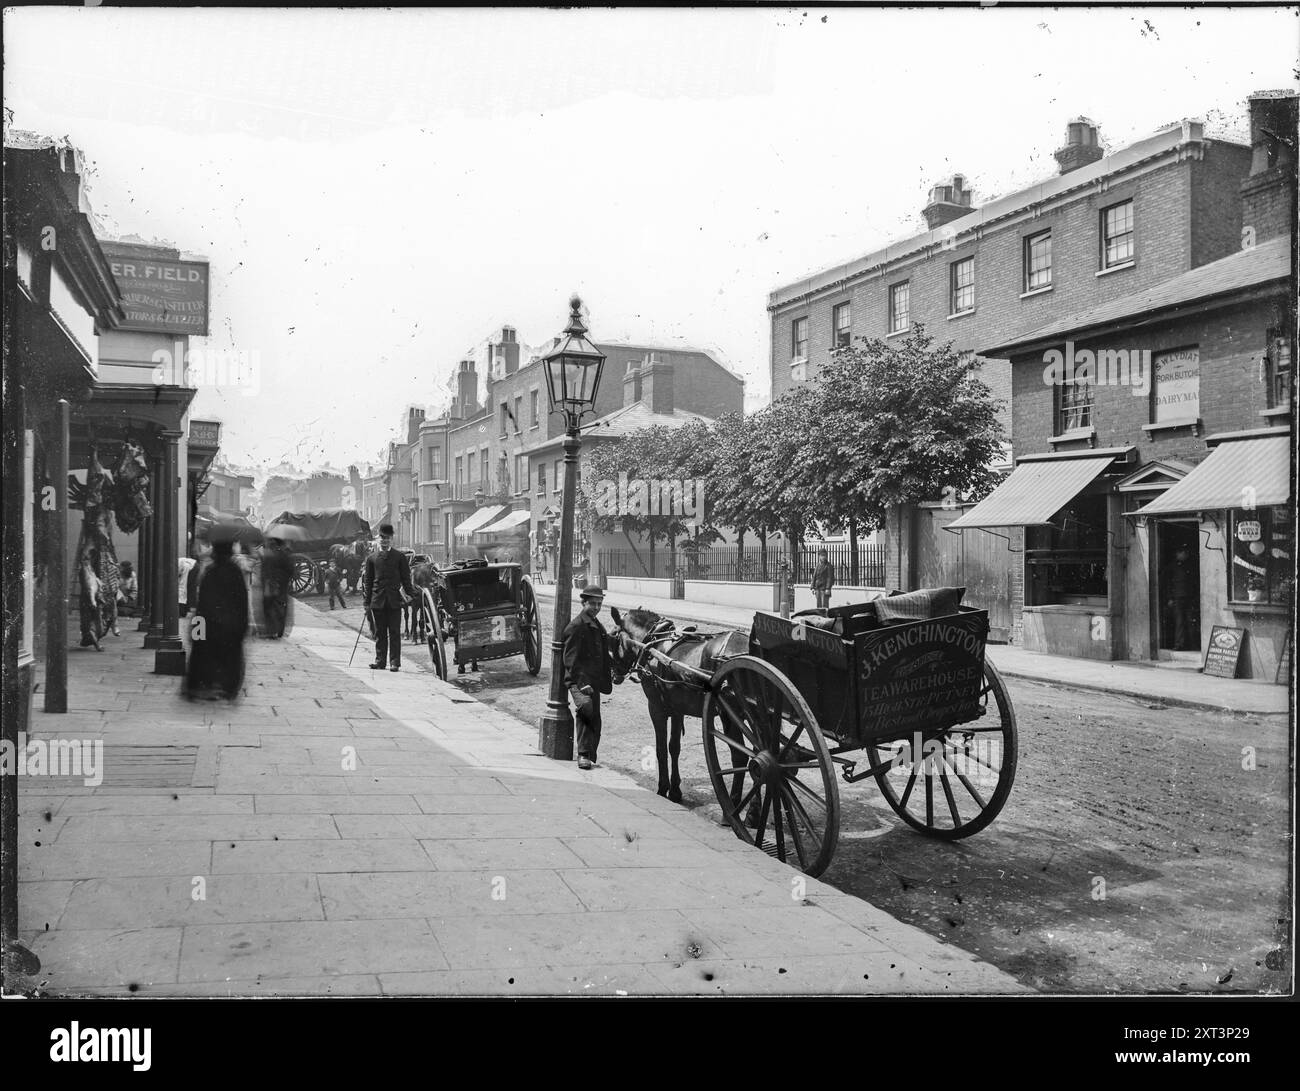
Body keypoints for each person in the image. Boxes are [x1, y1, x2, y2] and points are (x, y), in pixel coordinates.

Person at [183, 533, 249, 701]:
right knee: (230, 658)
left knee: (205, 656)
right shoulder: (235, 572)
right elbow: (241, 602)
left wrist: (197, 629)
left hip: (210, 624)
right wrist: (242, 625)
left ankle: (206, 686)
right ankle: (226, 688)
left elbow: (203, 602)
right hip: (230, 626)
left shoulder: (211, 571)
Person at [561, 585, 614, 770]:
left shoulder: (596, 624)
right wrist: (582, 684)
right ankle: (583, 754)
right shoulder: (577, 626)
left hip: (593, 681)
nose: (597, 608)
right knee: (586, 708)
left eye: (599, 604)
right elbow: (570, 660)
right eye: (593, 604)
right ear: (583, 603)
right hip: (578, 680)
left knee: (596, 718)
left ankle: (590, 755)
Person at [363, 523, 415, 671]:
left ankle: (394, 662)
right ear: (378, 538)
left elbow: (406, 578)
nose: (384, 540)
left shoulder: (399, 557)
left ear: (391, 539)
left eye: (387, 538)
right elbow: (368, 582)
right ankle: (380, 661)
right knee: (380, 633)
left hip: (394, 601)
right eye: (382, 537)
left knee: (394, 632)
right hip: (378, 601)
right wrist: (367, 602)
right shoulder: (371, 559)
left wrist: (410, 594)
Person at [260, 537, 294, 639]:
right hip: (282, 584)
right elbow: (290, 570)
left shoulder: (268, 555)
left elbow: (264, 570)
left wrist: (264, 581)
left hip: (270, 583)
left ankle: (271, 630)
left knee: (269, 606)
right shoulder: (285, 555)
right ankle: (280, 630)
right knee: (281, 606)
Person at [1165, 545, 1197, 651]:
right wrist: (1170, 598)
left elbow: (1193, 582)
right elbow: (1168, 583)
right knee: (1179, 621)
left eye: (1185, 553)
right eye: (1182, 553)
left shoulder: (1190, 565)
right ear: (1177, 554)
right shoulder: (1172, 566)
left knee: (1191, 621)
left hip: (1189, 597)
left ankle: (1193, 644)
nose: (1184, 555)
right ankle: (1179, 644)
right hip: (1177, 598)